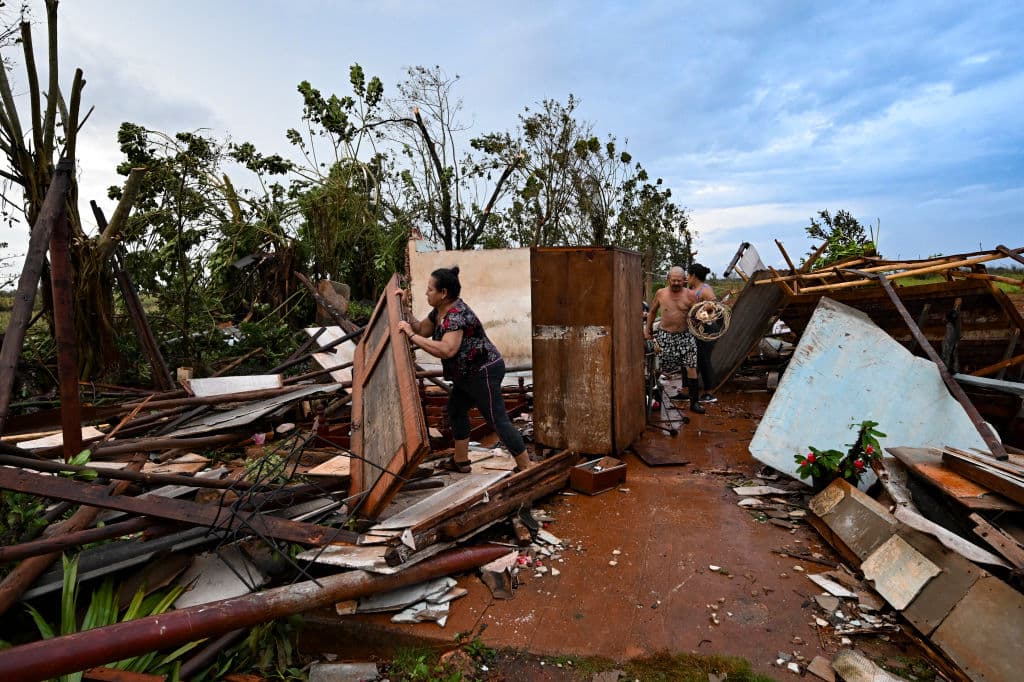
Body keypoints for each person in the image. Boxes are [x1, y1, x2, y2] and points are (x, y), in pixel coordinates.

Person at [396, 266, 533, 473]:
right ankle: (461, 461)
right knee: (456, 410)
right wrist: (405, 310)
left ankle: (526, 466)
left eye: (430, 289)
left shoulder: (456, 316)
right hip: (466, 374)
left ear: (443, 293)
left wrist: (412, 337)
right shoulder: (440, 312)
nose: (426, 293)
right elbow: (422, 329)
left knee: (497, 419)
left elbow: (447, 349)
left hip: (483, 372)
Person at [644, 266, 704, 414]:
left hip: (685, 335)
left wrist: (700, 319)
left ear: (684, 280)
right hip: (665, 335)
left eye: (679, 280)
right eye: (674, 280)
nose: (676, 283)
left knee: (691, 366)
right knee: (658, 368)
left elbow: (698, 316)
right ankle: (654, 398)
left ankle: (694, 402)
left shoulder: (691, 295)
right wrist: (647, 330)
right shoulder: (661, 293)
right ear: (668, 279)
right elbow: (652, 312)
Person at [687, 263, 718, 404]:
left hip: (707, 330)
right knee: (693, 359)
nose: (687, 278)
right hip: (696, 330)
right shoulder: (693, 289)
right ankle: (688, 390)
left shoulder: (705, 290)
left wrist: (703, 312)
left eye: (688, 275)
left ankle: (709, 393)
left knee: (704, 359)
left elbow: (715, 307)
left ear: (693, 276)